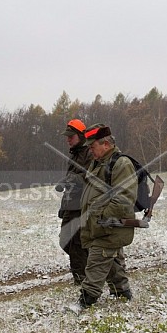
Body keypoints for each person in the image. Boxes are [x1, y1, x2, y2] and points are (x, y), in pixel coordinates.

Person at [68, 123, 138, 312]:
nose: (90, 150)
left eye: (93, 146)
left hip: (108, 226)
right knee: (112, 261)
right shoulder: (98, 163)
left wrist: (100, 220)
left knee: (96, 263)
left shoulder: (121, 164)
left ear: (105, 144)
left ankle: (85, 301)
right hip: (99, 225)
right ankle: (122, 293)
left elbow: (123, 199)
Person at [57, 119, 91, 284]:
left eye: (71, 136)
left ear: (81, 136)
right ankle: (88, 271)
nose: (68, 139)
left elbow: (92, 178)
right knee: (65, 241)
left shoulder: (89, 153)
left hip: (82, 205)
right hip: (71, 205)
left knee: (77, 243)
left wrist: (71, 179)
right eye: (67, 136)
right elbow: (76, 178)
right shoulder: (75, 155)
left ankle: (81, 278)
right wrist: (65, 182)